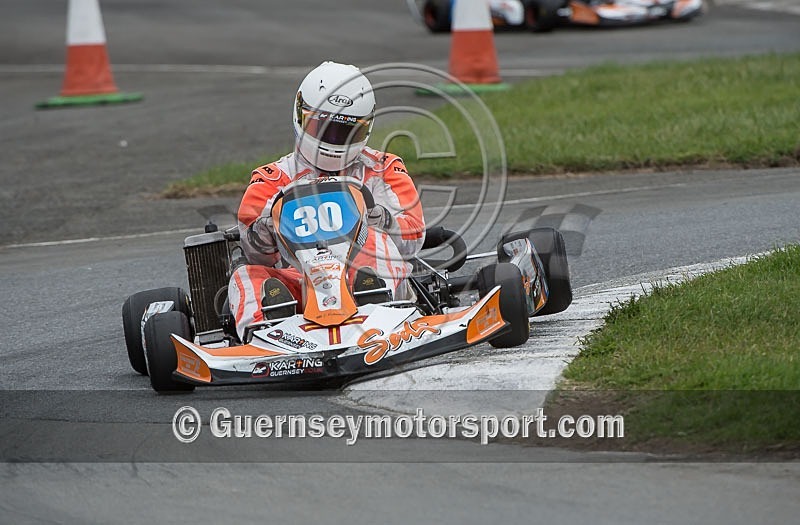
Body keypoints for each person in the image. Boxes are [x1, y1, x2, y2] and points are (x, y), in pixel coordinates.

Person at [228, 61, 426, 339]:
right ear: (301, 115)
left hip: (363, 274)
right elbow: (257, 255)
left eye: (345, 132)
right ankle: (268, 331)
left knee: (376, 242)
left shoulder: (383, 169)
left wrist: (382, 219)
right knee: (246, 275)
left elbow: (413, 238)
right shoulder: (271, 179)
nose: (333, 140)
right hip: (299, 284)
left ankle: (376, 302)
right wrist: (266, 230)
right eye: (324, 129)